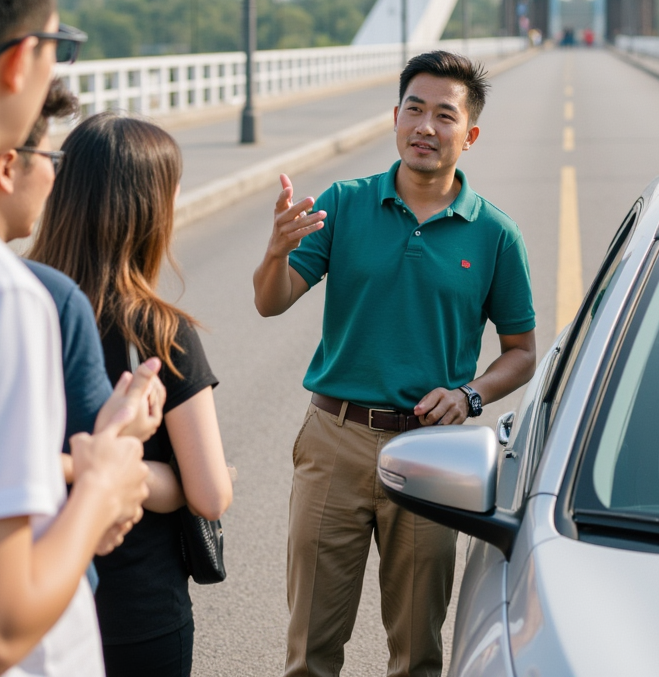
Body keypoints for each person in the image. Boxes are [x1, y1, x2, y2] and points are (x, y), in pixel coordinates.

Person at [254, 50, 537, 677]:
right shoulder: (345, 203)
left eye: (444, 115)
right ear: (395, 117)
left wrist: (469, 396)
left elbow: (521, 353)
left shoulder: (494, 234)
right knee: (310, 652)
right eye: (415, 109)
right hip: (335, 438)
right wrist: (275, 253)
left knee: (417, 653)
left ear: (471, 134)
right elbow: (270, 303)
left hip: (432, 453)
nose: (426, 127)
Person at [0, 0, 152, 677]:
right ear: (21, 60)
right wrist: (104, 481)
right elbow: (1, 627)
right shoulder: (7, 297)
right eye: (60, 41)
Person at [31, 111, 234, 677]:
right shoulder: (161, 331)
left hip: (31, 594)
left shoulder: (17, 302)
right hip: (136, 613)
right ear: (150, 212)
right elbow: (210, 495)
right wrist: (162, 477)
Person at [0, 77, 166, 455]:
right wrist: (120, 438)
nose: (55, 177)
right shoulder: (43, 297)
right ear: (6, 169)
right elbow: (74, 477)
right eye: (51, 160)